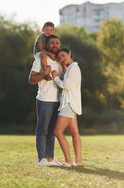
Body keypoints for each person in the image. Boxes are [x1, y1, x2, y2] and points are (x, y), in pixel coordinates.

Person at [29, 35, 63, 166]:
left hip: (57, 101)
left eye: (57, 43)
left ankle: (50, 158)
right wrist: (44, 74)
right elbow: (31, 80)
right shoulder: (40, 60)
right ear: (47, 45)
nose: (55, 45)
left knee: (52, 131)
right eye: (52, 43)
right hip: (44, 100)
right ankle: (41, 159)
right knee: (42, 130)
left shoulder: (60, 61)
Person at [51, 48, 83, 167]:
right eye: (59, 58)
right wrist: (63, 72)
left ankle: (69, 161)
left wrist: (55, 78)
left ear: (70, 54)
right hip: (71, 103)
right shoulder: (70, 68)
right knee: (74, 133)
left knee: (57, 131)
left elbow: (66, 86)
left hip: (68, 104)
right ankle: (78, 162)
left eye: (63, 56)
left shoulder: (74, 68)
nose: (62, 59)